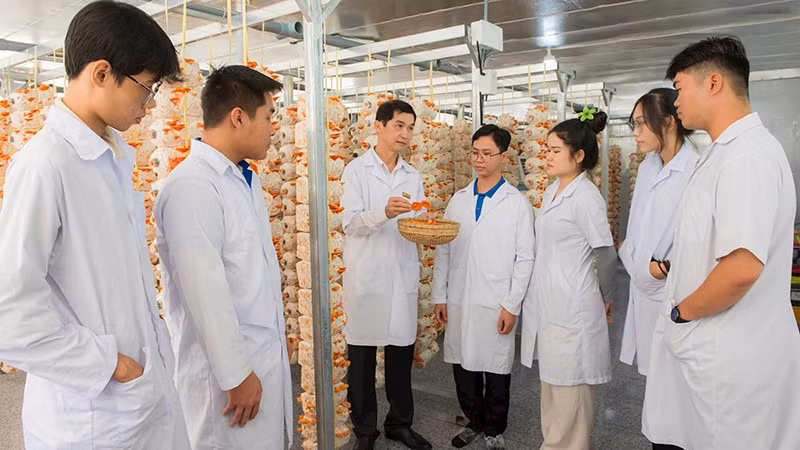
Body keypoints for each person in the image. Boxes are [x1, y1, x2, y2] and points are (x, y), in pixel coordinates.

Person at [0, 2, 190, 448]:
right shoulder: (45, 165)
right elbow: (9, 315)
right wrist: (108, 364)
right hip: (93, 416)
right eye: (147, 87)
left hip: (139, 398)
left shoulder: (114, 156)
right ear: (102, 73)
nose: (149, 104)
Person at [642, 36, 800, 450]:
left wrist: (682, 314)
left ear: (713, 83)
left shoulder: (746, 156)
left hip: (730, 360)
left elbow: (742, 267)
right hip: (713, 354)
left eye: (679, 87)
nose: (675, 101)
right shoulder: (723, 152)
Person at [154, 66, 292, 449]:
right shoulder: (192, 188)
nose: (273, 127)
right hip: (227, 382)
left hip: (258, 357)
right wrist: (236, 375)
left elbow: (249, 273)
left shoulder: (244, 178)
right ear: (238, 117)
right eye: (268, 116)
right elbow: (205, 293)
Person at [432, 124, 535, 450]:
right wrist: (440, 295)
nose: (479, 159)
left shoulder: (516, 203)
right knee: (463, 365)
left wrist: (512, 304)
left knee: (496, 368)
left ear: (502, 156)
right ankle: (473, 421)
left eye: (487, 154)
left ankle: (494, 428)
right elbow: (444, 249)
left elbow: (525, 258)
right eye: (475, 153)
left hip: (496, 299)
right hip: (461, 296)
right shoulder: (458, 200)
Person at [519, 109, 616, 450]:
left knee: (572, 400)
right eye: (546, 149)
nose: (546, 156)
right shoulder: (552, 192)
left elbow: (605, 254)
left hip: (574, 308)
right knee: (553, 394)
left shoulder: (586, 197)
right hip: (552, 306)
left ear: (579, 156)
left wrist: (607, 297)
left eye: (555, 150)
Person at [342, 99, 432, 450]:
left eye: (410, 127)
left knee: (399, 357)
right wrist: (382, 212)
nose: (405, 133)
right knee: (361, 362)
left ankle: (399, 423)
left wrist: (423, 221)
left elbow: (416, 220)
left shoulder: (413, 175)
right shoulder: (356, 171)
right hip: (366, 276)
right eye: (399, 125)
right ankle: (365, 431)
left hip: (401, 272)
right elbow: (349, 223)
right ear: (378, 126)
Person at [618, 88, 699, 378]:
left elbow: (698, 236)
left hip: (668, 285)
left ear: (669, 122)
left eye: (642, 123)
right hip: (640, 276)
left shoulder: (695, 169)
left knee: (671, 375)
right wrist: (629, 253)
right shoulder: (648, 166)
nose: (636, 132)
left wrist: (661, 269)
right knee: (652, 376)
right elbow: (638, 221)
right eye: (635, 125)